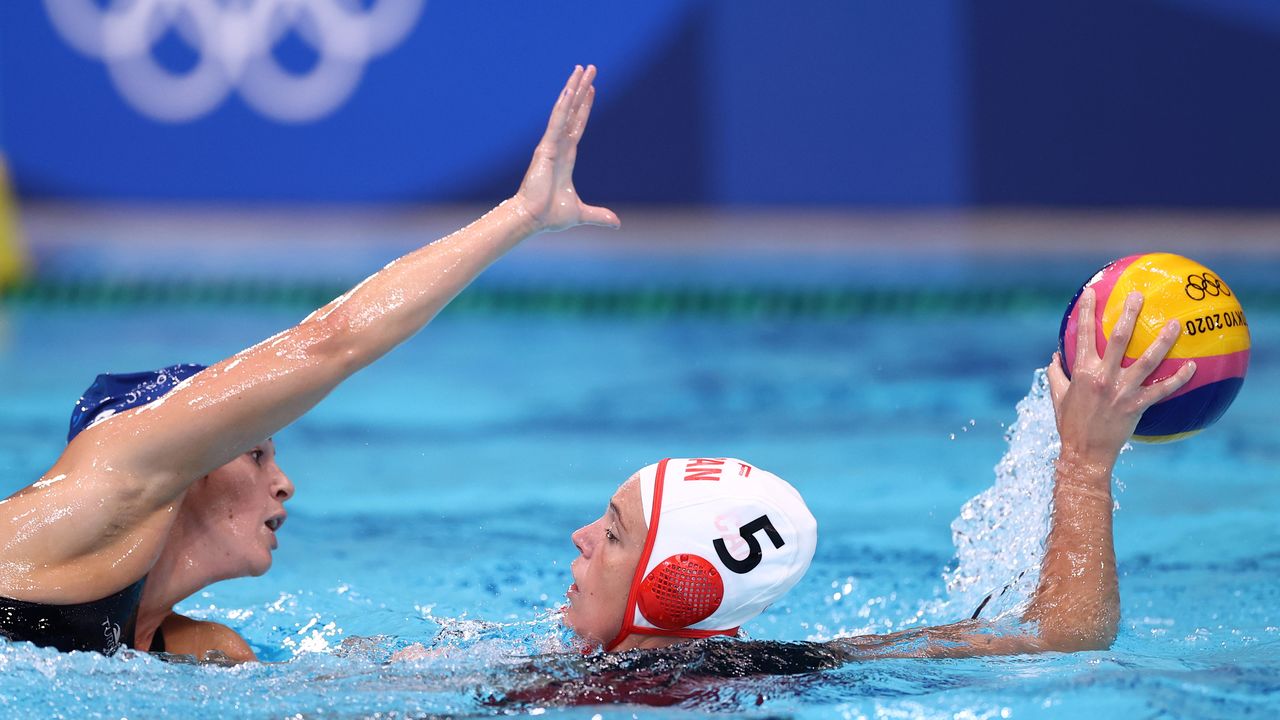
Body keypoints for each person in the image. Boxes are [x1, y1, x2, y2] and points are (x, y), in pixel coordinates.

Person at [0, 64, 619, 659]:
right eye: (254, 450)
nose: (284, 482)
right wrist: (521, 215)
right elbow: (330, 340)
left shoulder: (201, 650)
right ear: (186, 453)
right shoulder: (100, 485)